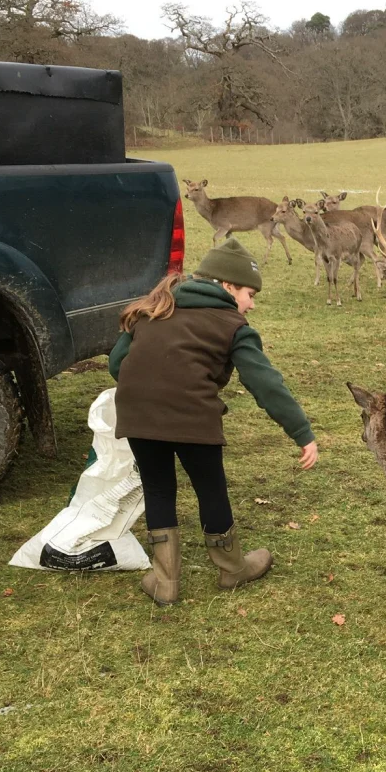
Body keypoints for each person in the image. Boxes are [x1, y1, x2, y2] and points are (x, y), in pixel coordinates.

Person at [109, 238, 318, 606]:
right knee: (210, 486)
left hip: (137, 414)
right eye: (249, 293)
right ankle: (232, 569)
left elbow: (115, 365)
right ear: (226, 285)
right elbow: (266, 383)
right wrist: (302, 432)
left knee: (158, 489)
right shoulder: (232, 325)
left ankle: (165, 583)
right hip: (192, 417)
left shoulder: (156, 308)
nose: (252, 303)